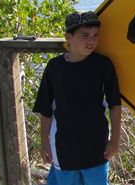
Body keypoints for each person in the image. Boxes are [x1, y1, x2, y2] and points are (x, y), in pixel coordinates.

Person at [33, 10, 121, 185]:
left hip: (97, 148)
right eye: (84, 35)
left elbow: (114, 104)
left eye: (96, 35)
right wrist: (44, 143)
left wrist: (115, 140)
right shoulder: (54, 67)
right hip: (63, 148)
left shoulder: (103, 65)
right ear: (68, 37)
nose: (91, 41)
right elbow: (46, 110)